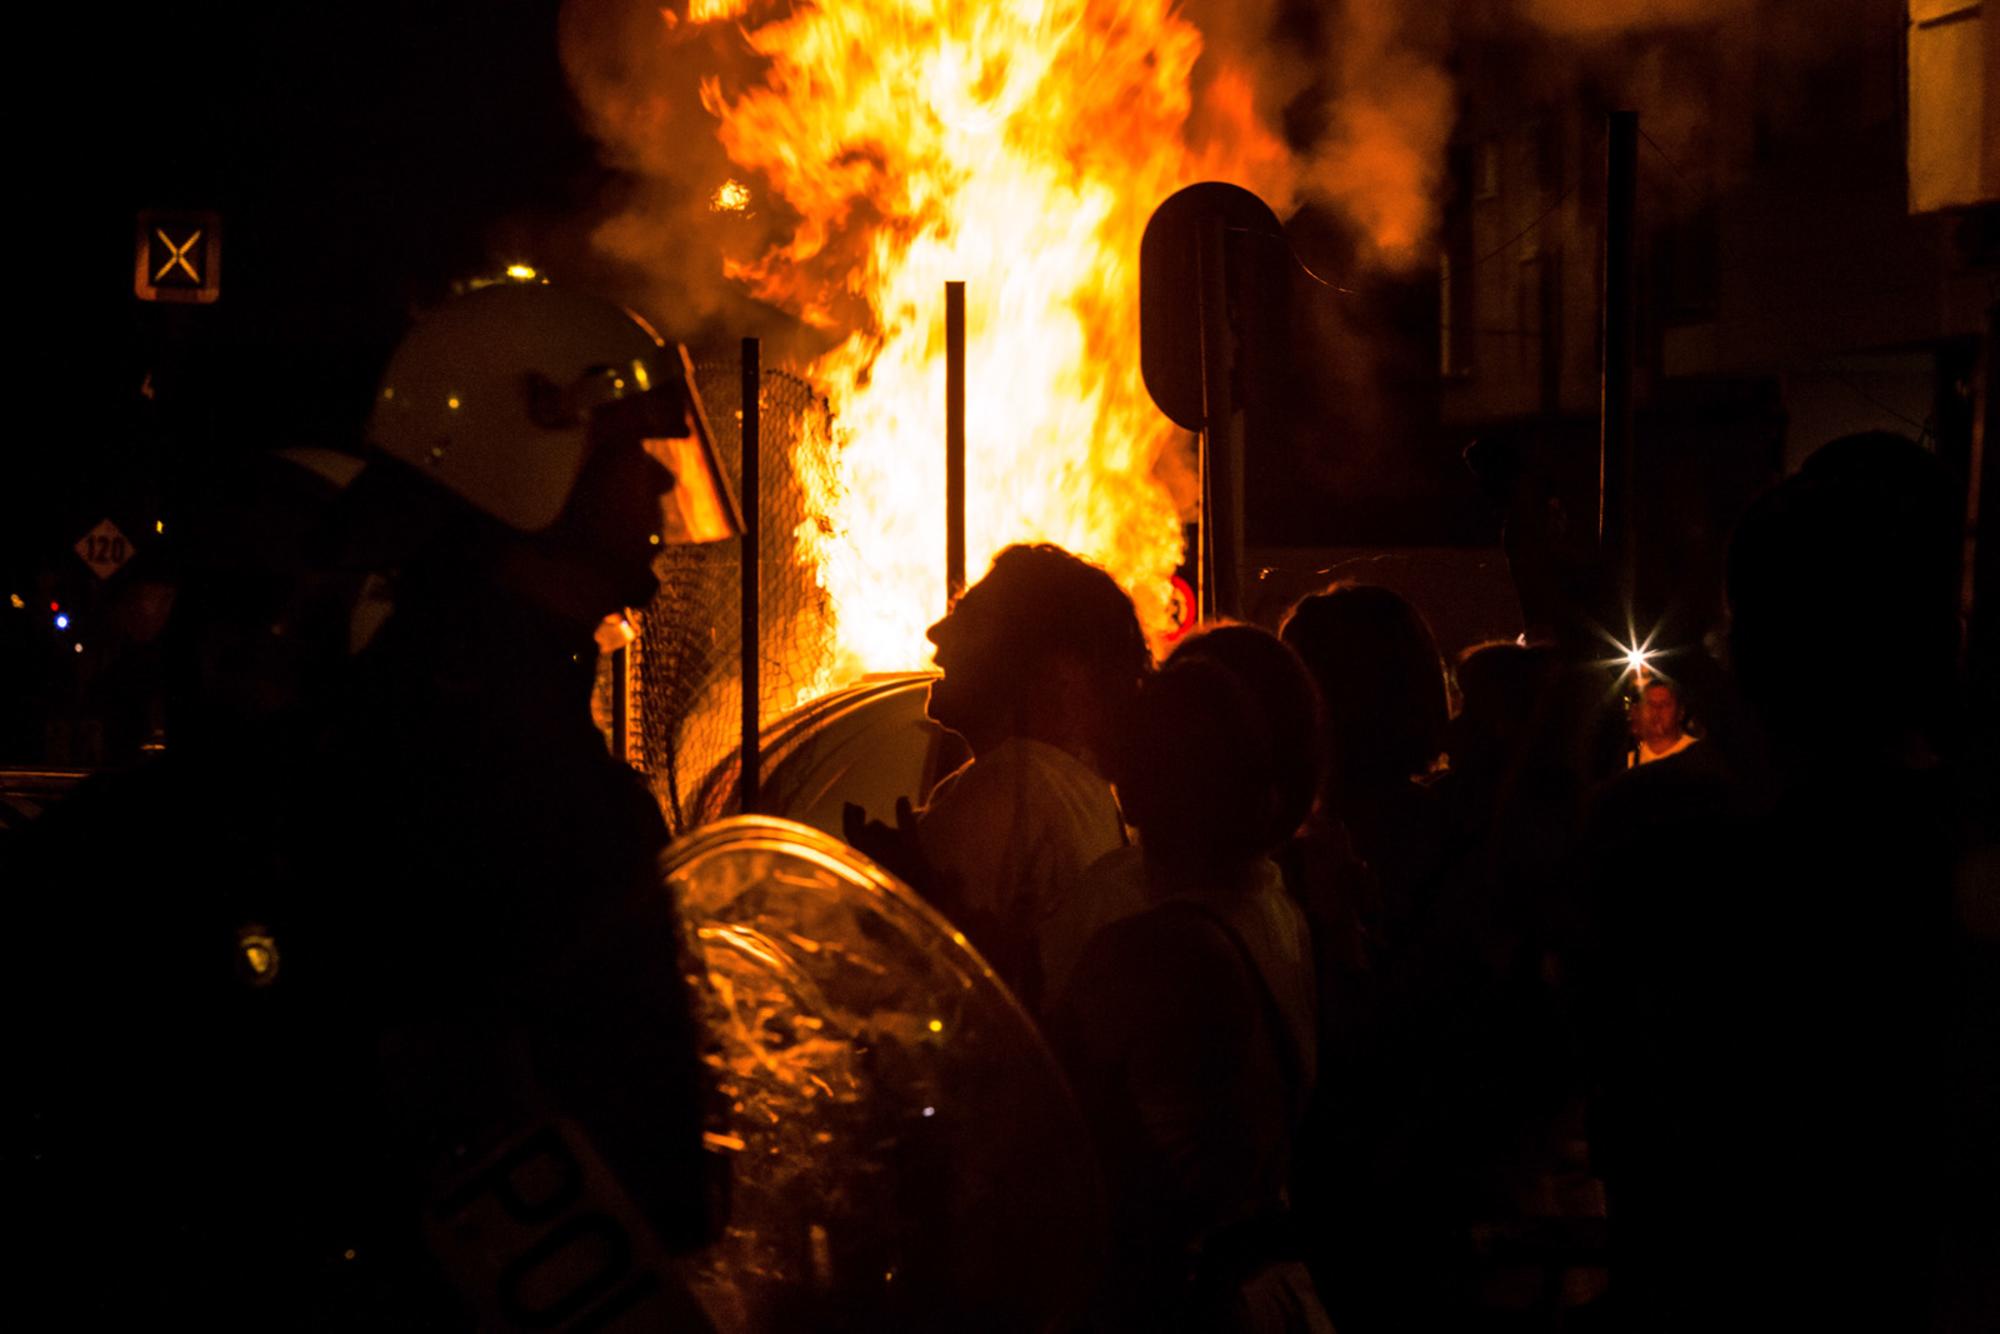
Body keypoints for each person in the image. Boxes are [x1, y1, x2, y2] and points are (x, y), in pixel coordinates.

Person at [17, 279, 738, 1327]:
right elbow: (639, 1170)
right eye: (633, 453)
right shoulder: (524, 783)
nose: (662, 483)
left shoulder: (387, 725)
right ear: (530, 464)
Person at [1049, 625, 1330, 1333]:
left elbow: (1034, 1113)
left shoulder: (1147, 951)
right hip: (1270, 1293)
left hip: (1185, 1301)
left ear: (1133, 790)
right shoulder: (1275, 909)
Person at [847, 542, 1148, 1012]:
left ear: (1052, 672)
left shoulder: (1016, 786)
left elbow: (874, 985)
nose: (936, 632)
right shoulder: (1075, 791)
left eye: (970, 619)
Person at [1625, 676, 1697, 766]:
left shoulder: (1699, 756)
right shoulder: (1630, 762)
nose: (1657, 710)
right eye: (1650, 704)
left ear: (1680, 712)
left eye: (1665, 704)